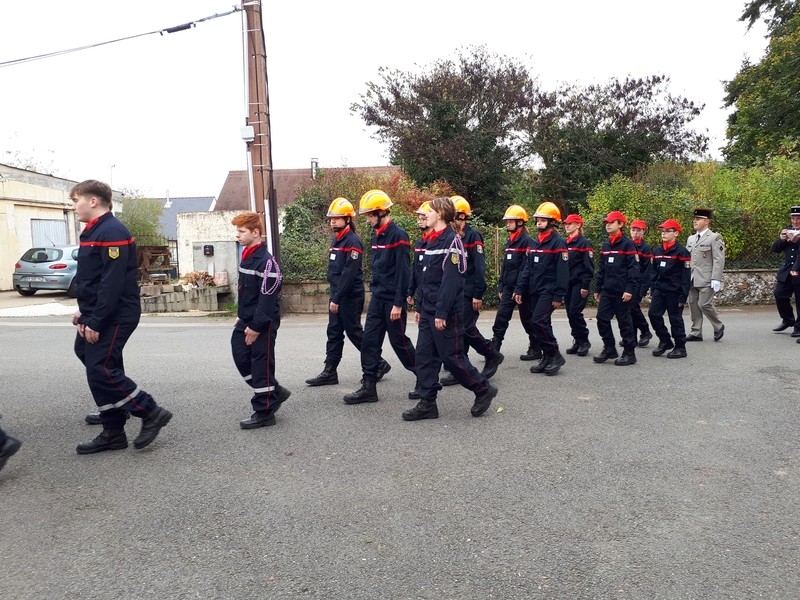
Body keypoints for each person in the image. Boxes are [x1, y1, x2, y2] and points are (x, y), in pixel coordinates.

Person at [70, 180, 172, 453]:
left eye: (76, 200)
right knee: (92, 358)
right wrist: (85, 311)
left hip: (116, 315)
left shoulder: (112, 231)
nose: (73, 206)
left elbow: (112, 283)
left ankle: (149, 411)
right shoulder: (95, 231)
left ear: (93, 201)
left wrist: (96, 320)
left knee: (100, 367)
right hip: (101, 311)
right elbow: (94, 279)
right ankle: (114, 424)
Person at [402, 197, 498, 421]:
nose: (426, 215)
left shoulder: (452, 241)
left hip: (443, 312)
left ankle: (483, 389)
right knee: (425, 357)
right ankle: (427, 403)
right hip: (427, 309)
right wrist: (419, 306)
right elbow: (424, 277)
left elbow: (451, 282)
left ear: (441, 214)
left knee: (452, 358)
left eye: (430, 211)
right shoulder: (429, 241)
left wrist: (441, 312)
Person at [305, 198, 389, 386]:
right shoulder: (337, 239)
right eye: (331, 218)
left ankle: (379, 363)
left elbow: (348, 274)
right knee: (334, 332)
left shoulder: (353, 241)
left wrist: (337, 298)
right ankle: (330, 371)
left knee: (354, 333)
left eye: (337, 218)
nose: (332, 221)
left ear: (348, 219)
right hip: (337, 294)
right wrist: (334, 296)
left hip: (349, 296)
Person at [344, 190, 417, 404]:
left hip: (392, 301)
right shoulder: (377, 234)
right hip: (378, 298)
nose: (366, 220)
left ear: (381, 212)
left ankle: (424, 378)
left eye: (369, 215)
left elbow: (404, 272)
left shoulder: (399, 236)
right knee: (369, 341)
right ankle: (369, 387)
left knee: (399, 342)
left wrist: (398, 303)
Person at [231, 211, 291, 429]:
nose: (237, 235)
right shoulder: (247, 254)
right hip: (246, 319)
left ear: (255, 233)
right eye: (237, 230)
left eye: (241, 231)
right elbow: (247, 291)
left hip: (261, 323)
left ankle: (264, 411)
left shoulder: (267, 263)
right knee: (239, 352)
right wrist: (241, 316)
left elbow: (267, 300)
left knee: (261, 364)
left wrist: (256, 326)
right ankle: (274, 391)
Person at [439, 195, 504, 386]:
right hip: (457, 291)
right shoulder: (450, 237)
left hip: (469, 292)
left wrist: (478, 293)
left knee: (465, 328)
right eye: (455, 218)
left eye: (461, 217)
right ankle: (461, 365)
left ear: (465, 218)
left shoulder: (473, 236)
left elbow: (479, 267)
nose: (458, 221)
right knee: (459, 329)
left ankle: (491, 354)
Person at [513, 201, 569, 375]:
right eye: (538, 220)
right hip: (534, 290)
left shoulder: (558, 243)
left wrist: (558, 295)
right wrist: (520, 289)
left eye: (543, 220)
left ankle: (555, 354)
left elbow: (562, 272)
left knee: (538, 321)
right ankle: (547, 357)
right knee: (541, 323)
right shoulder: (535, 243)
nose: (539, 223)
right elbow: (527, 268)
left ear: (552, 222)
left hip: (549, 291)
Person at [490, 205, 541, 361]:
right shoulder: (509, 241)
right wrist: (501, 285)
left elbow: (527, 268)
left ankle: (536, 347)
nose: (507, 224)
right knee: (501, 318)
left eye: (510, 221)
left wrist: (519, 289)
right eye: (507, 222)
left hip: (523, 290)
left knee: (527, 319)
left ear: (520, 222)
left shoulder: (528, 242)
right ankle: (494, 350)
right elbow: (505, 266)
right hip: (508, 287)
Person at [593, 211, 640, 366]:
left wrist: (630, 289)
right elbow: (602, 270)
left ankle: (629, 352)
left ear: (620, 224)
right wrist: (598, 288)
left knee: (624, 322)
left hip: (622, 291)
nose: (608, 225)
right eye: (607, 222)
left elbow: (633, 269)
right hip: (607, 290)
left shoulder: (628, 244)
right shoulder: (606, 245)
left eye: (611, 222)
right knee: (602, 319)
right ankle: (609, 348)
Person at [648, 219, 691, 359]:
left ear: (676, 233)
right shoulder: (658, 250)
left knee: (675, 319)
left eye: (668, 231)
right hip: (660, 290)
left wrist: (683, 296)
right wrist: (653, 287)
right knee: (653, 315)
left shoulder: (682, 252)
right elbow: (654, 271)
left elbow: (686, 276)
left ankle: (680, 347)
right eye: (662, 231)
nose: (664, 234)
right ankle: (665, 340)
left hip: (675, 291)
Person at [686, 208, 726, 342]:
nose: (695, 221)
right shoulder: (691, 238)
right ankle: (696, 332)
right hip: (692, 277)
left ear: (706, 221)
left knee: (704, 304)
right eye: (695, 219)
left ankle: (718, 325)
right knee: (693, 305)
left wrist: (716, 278)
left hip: (707, 278)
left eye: (698, 219)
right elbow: (689, 259)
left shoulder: (715, 237)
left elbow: (718, 259)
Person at [562, 214, 594, 356]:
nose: (567, 226)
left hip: (579, 283)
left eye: (570, 223)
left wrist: (585, 286)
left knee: (575, 312)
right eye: (566, 224)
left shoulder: (583, 244)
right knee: (570, 313)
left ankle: (584, 340)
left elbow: (588, 267)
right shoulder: (565, 243)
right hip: (567, 284)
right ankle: (577, 340)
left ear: (578, 225)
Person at [771, 206, 800, 336]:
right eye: (793, 219)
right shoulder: (788, 230)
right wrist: (781, 239)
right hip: (788, 270)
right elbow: (776, 249)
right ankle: (788, 320)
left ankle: (798, 327)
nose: (795, 222)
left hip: (799, 269)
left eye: (798, 219)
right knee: (779, 294)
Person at [628, 219, 653, 347]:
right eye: (633, 230)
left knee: (633, 307)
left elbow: (647, 271)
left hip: (639, 283)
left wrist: (643, 289)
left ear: (643, 231)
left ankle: (645, 331)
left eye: (638, 230)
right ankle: (632, 336)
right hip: (628, 282)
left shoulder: (645, 248)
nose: (635, 233)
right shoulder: (627, 245)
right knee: (629, 309)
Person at [406, 201, 433, 307]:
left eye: (423, 219)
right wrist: (410, 291)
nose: (420, 222)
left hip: (432, 294)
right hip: (421, 293)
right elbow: (415, 268)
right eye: (419, 219)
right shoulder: (420, 242)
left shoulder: (437, 241)